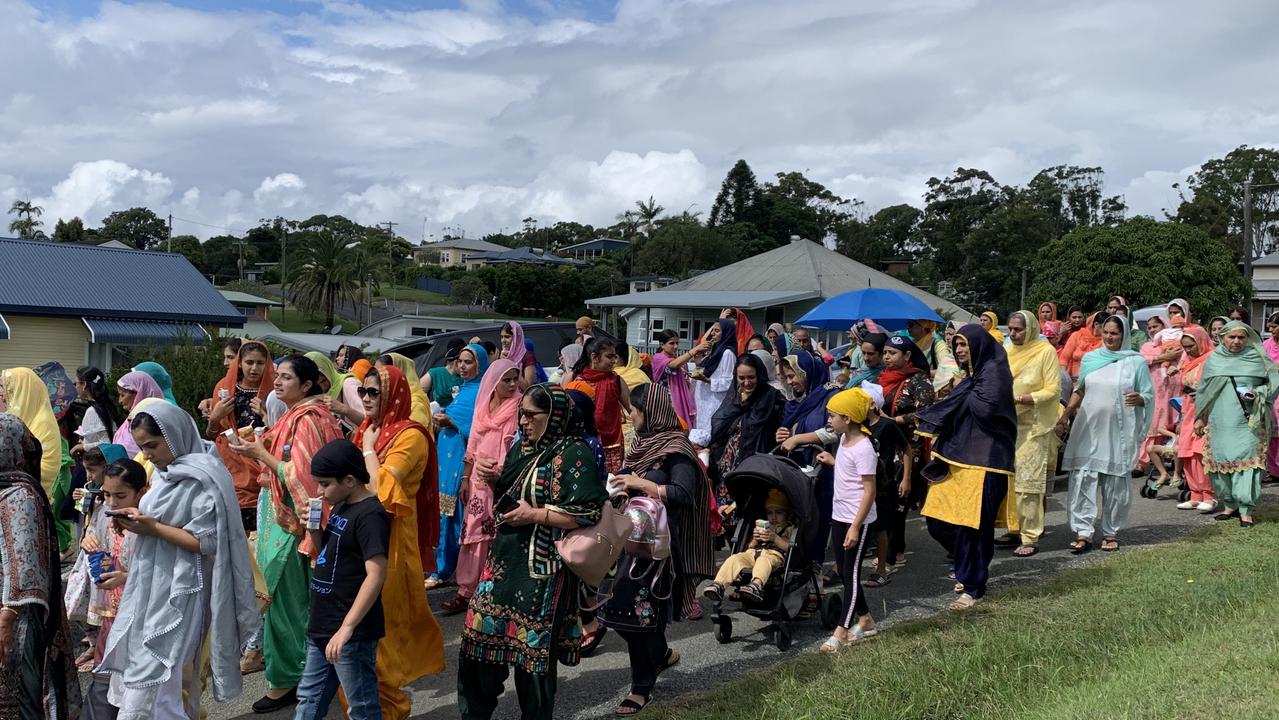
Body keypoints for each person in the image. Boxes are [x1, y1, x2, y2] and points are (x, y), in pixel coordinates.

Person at [97, 402, 258, 718]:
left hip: (185, 589)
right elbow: (161, 519)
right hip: (154, 583)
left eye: (153, 445)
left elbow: (207, 542)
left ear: (174, 435)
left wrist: (153, 527)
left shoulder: (204, 474)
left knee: (162, 675)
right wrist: (138, 520)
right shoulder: (165, 474)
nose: (149, 454)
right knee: (151, 675)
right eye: (143, 447)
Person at [457, 385, 607, 720]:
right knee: (476, 650)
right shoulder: (522, 448)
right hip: (502, 565)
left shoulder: (574, 453)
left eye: (530, 415)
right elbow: (511, 499)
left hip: (543, 570)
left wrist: (534, 515)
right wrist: (495, 479)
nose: (522, 421)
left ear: (553, 417)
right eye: (520, 414)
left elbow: (588, 512)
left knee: (533, 661)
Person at [227, 355, 345, 713]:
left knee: (281, 602)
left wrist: (260, 452)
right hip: (286, 518)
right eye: (275, 376)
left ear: (306, 385)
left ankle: (288, 681)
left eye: (285, 377)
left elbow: (306, 477)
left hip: (292, 525)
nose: (276, 382)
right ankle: (303, 676)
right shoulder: (306, 415)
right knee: (295, 603)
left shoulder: (308, 419)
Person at [601, 384, 712, 716]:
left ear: (650, 413)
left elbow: (683, 493)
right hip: (632, 540)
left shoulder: (677, 449)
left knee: (638, 614)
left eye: (634, 410)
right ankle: (661, 653)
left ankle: (641, 688)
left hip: (661, 549)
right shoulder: (643, 445)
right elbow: (628, 474)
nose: (629, 415)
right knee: (618, 610)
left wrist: (641, 485)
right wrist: (617, 483)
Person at [352, 367, 445, 717]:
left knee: (383, 636)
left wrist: (366, 450)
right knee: (357, 635)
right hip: (360, 541)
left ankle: (391, 711)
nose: (365, 397)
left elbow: (382, 492)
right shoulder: (370, 429)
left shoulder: (410, 436)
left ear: (393, 395)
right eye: (362, 390)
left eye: (373, 391)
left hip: (391, 544)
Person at [917, 325, 1016, 609]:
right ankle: (965, 563)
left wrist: (961, 393)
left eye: (965, 345)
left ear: (979, 346)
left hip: (986, 461)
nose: (959, 350)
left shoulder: (995, 374)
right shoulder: (973, 378)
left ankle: (973, 586)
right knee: (937, 520)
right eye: (956, 345)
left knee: (973, 527)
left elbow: (986, 410)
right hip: (957, 457)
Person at [292, 440, 391, 720]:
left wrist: (347, 628)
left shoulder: (371, 515)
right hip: (323, 624)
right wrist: (314, 529)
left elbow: (376, 573)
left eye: (324, 484)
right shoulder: (340, 506)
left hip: (351, 631)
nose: (320, 492)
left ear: (349, 480)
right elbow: (329, 553)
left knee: (361, 705)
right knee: (309, 698)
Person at [0, 413, 81, 720]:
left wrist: (7, 618)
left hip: (15, 614)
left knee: (22, 695)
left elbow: (27, 564)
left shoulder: (21, 495)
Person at [1056, 315, 1154, 554]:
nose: (1110, 337)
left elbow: (1148, 394)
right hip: (1088, 428)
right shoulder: (1091, 358)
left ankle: (1110, 532)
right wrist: (1064, 416)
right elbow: (1080, 391)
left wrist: (1141, 399)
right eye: (1107, 332)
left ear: (1124, 336)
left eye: (1115, 333)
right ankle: (1083, 532)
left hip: (1118, 431)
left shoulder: (1135, 362)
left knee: (1114, 481)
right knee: (1083, 478)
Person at [445, 359, 521, 615]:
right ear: (493, 382)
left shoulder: (518, 407)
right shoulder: (483, 406)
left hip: (504, 481)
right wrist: (466, 478)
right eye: (506, 380)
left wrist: (501, 474)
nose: (512, 385)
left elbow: (516, 446)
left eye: (515, 379)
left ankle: (492, 593)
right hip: (478, 482)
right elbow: (473, 445)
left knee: (498, 535)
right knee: (473, 535)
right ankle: (466, 591)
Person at [1194, 321, 1279, 527]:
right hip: (1219, 421)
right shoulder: (1214, 359)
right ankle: (1230, 504)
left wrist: (1259, 394)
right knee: (1221, 461)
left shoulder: (1258, 358)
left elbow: (1274, 381)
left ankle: (1246, 510)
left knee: (1248, 462)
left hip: (1249, 421)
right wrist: (1200, 416)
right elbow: (1205, 391)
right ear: (1222, 338)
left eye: (1241, 337)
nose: (1236, 341)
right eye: (1232, 337)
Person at [80, 457, 146, 720]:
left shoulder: (148, 524)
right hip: (112, 614)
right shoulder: (105, 517)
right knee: (104, 680)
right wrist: (88, 540)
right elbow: (98, 545)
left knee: (133, 684)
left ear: (141, 492)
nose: (111, 502)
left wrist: (125, 578)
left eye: (120, 495)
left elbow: (160, 574)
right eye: (106, 494)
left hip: (139, 616)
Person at [815, 388, 879, 650]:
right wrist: (833, 461)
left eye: (833, 417)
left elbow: (869, 490)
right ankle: (866, 620)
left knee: (851, 573)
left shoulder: (864, 448)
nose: (829, 421)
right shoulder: (843, 441)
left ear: (848, 418)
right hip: (839, 515)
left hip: (857, 520)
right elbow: (847, 471)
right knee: (844, 571)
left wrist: (855, 526)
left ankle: (841, 631)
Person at [429, 344, 488, 589]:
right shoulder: (465, 390)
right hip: (446, 457)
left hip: (460, 460)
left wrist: (450, 419)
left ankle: (444, 569)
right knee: (445, 512)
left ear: (480, 365)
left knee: (452, 514)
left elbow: (479, 430)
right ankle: (443, 566)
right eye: (460, 362)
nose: (463, 366)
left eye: (468, 362)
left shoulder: (481, 393)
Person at [1004, 310, 1062, 557]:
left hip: (1034, 426)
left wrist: (1029, 398)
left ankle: (1030, 536)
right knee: (1010, 481)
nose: (1014, 334)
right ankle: (1014, 529)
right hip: (1008, 424)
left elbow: (1053, 388)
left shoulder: (1044, 351)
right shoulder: (1005, 352)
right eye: (1011, 330)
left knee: (1029, 483)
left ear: (1032, 329)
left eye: (1019, 329)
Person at [1, 367, 76, 551]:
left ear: (22, 391)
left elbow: (44, 468)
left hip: (26, 502)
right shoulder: (16, 419)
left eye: (6, 389)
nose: (2, 395)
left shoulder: (42, 423)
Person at [208, 340, 276, 532]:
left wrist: (266, 416)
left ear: (267, 364)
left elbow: (282, 434)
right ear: (240, 363)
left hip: (261, 467)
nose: (254, 368)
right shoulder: (225, 389)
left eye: (260, 363)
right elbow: (213, 434)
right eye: (249, 362)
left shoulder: (273, 393)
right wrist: (215, 417)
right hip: (230, 467)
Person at [703, 489, 793, 602]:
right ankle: (719, 584)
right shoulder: (764, 526)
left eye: (778, 513)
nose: (774, 517)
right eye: (770, 513)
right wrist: (755, 539)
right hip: (753, 554)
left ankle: (756, 585)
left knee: (763, 560)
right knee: (734, 558)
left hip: (773, 555)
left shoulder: (788, 528)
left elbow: (789, 547)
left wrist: (775, 538)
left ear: (787, 514)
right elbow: (749, 547)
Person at [708, 353, 783, 486]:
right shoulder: (734, 398)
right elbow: (719, 426)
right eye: (741, 378)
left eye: (751, 377)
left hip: (755, 466)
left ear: (759, 375)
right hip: (727, 465)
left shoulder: (772, 398)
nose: (747, 383)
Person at [565, 338, 632, 473]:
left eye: (615, 356)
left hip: (611, 441)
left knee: (611, 482)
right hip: (582, 440)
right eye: (609, 356)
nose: (614, 361)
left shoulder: (616, 380)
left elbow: (632, 408)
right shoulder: (573, 378)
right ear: (594, 357)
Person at [1175, 326, 1217, 511]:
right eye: (1185, 347)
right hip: (1188, 409)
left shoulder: (1212, 359)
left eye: (1191, 345)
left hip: (1206, 410)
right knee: (1186, 452)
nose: (1188, 350)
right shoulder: (1188, 361)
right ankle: (1195, 494)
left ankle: (1209, 496)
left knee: (1201, 452)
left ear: (1200, 342)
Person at [1138, 311, 1183, 476]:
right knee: (1153, 424)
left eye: (1155, 326)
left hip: (1174, 388)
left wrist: (1169, 357)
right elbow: (1142, 360)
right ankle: (1142, 462)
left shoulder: (1177, 342)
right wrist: (1164, 356)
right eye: (1149, 327)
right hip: (1156, 391)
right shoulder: (1147, 346)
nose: (1151, 330)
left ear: (1165, 327)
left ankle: (1171, 458)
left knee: (1172, 423)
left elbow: (1182, 358)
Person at [690, 318, 737, 449]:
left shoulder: (727, 353)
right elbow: (709, 369)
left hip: (715, 402)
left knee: (711, 436)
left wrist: (707, 380)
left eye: (717, 331)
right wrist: (699, 361)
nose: (713, 334)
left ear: (726, 332)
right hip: (704, 401)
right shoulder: (716, 350)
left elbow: (729, 382)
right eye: (713, 331)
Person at [306, 351, 366, 431]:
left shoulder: (348, 384)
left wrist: (343, 409)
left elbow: (369, 421)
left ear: (327, 369)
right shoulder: (317, 395)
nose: (317, 381)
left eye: (322, 379)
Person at [651, 329, 697, 428]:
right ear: (662, 345)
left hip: (679, 398)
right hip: (666, 400)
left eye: (677, 343)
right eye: (671, 343)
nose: (675, 346)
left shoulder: (676, 359)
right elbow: (673, 365)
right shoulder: (658, 358)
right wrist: (693, 351)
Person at [112, 371, 164, 456]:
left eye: (122, 395)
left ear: (138, 393)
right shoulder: (132, 418)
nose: (120, 401)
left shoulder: (152, 420)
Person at [74, 367, 121, 452]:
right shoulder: (105, 405)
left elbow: (106, 443)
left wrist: (82, 447)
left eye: (76, 383)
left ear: (84, 385)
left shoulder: (93, 410)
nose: (76, 387)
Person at [906, 319, 960, 393]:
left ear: (923, 327)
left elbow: (947, 370)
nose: (908, 328)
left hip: (927, 390)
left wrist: (921, 373)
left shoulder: (938, 344)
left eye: (911, 325)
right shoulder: (911, 343)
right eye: (908, 324)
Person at [1058, 312, 1105, 380]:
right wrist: (1063, 378)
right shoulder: (1077, 335)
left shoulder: (1106, 341)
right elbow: (1064, 358)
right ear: (1095, 324)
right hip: (1073, 378)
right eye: (1103, 327)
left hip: (1096, 379)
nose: (1105, 332)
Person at [422, 340, 465, 409]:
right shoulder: (436, 373)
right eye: (462, 362)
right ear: (456, 362)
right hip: (437, 417)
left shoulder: (468, 377)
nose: (465, 367)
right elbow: (416, 395)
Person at [499, 322, 539, 389]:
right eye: (501, 337)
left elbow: (527, 387)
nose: (503, 340)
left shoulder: (528, 357)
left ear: (517, 338)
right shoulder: (503, 355)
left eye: (507, 337)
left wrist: (510, 364)